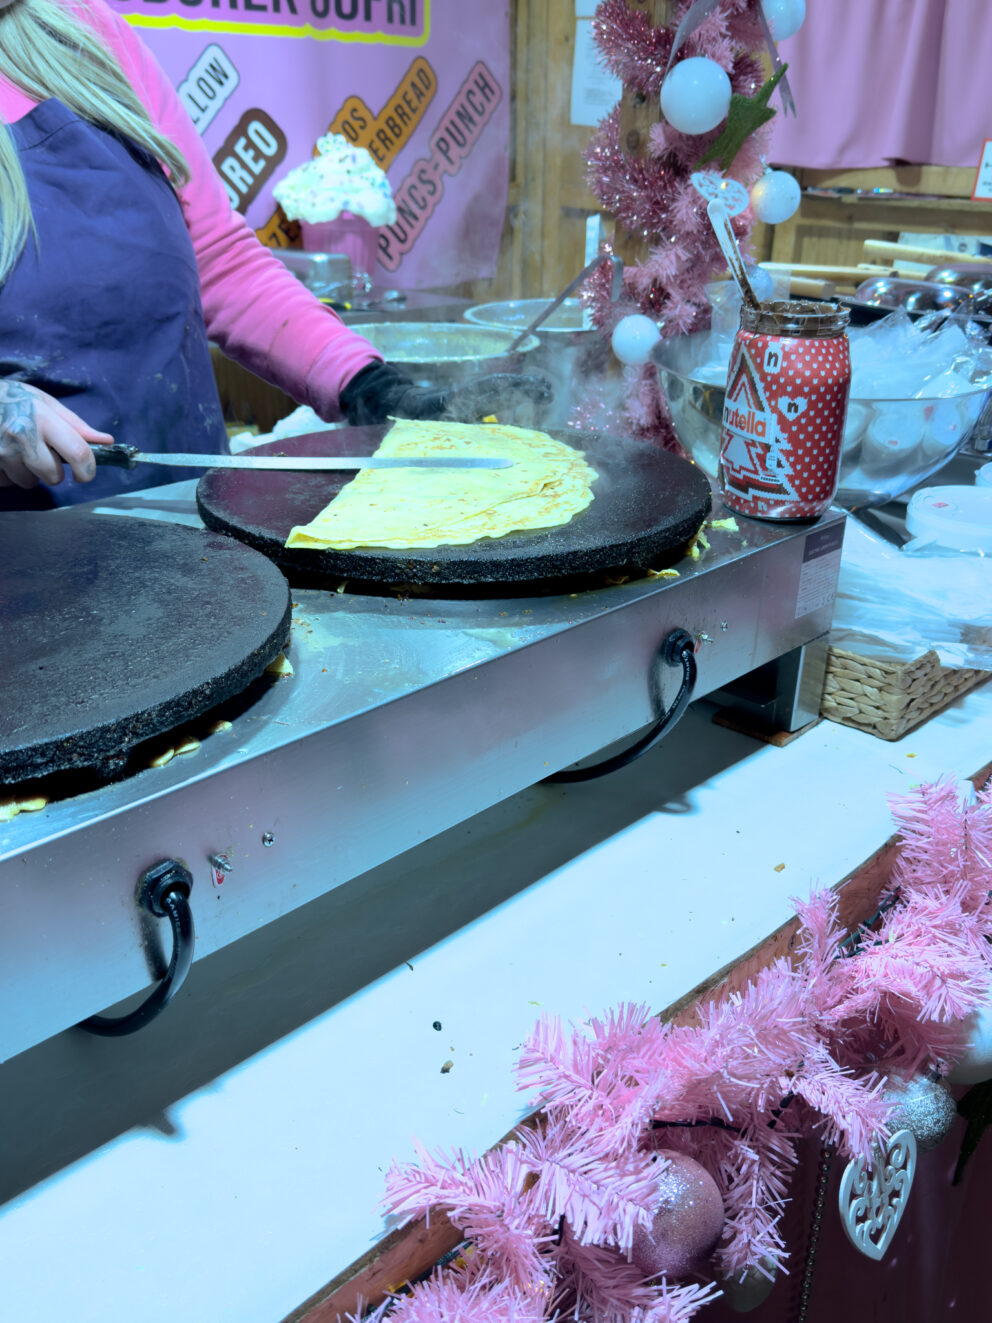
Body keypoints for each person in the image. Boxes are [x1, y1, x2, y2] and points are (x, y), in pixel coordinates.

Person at [0, 0, 547, 507]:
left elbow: (219, 261)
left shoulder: (84, 32)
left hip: (183, 520)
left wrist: (370, 387)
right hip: (35, 562)